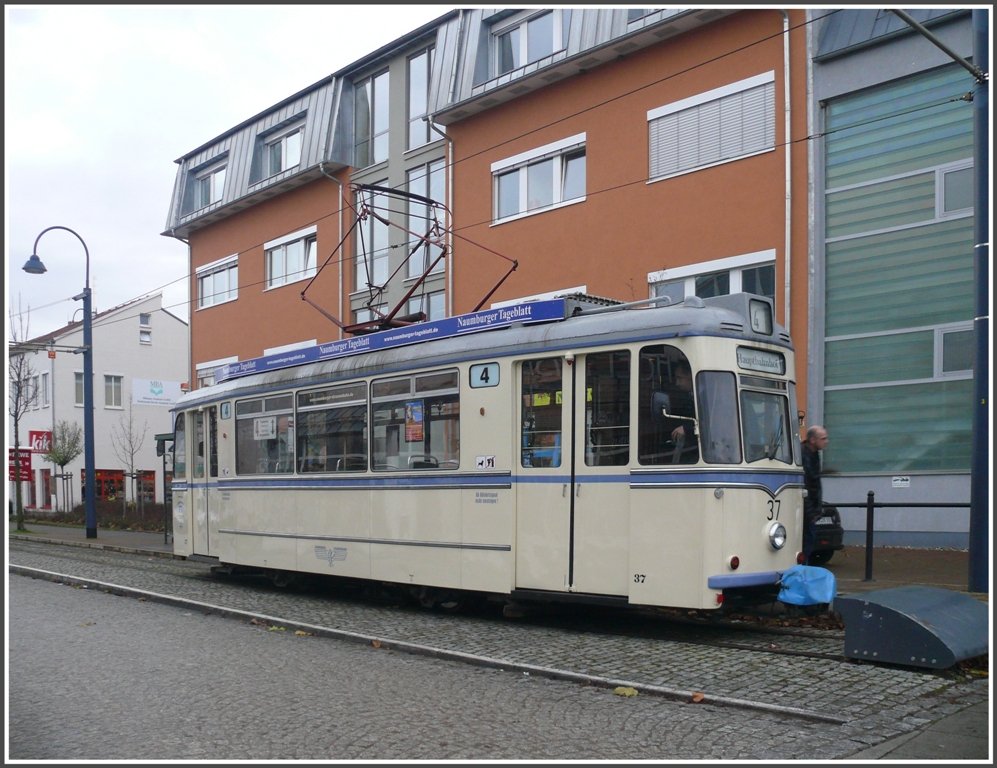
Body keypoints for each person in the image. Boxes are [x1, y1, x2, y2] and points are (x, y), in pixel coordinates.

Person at [801, 424, 829, 563]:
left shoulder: (813, 454)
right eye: (823, 438)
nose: (826, 441)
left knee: (808, 543)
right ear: (813, 440)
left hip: (810, 509)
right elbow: (806, 485)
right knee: (806, 543)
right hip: (807, 511)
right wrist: (811, 512)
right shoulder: (804, 456)